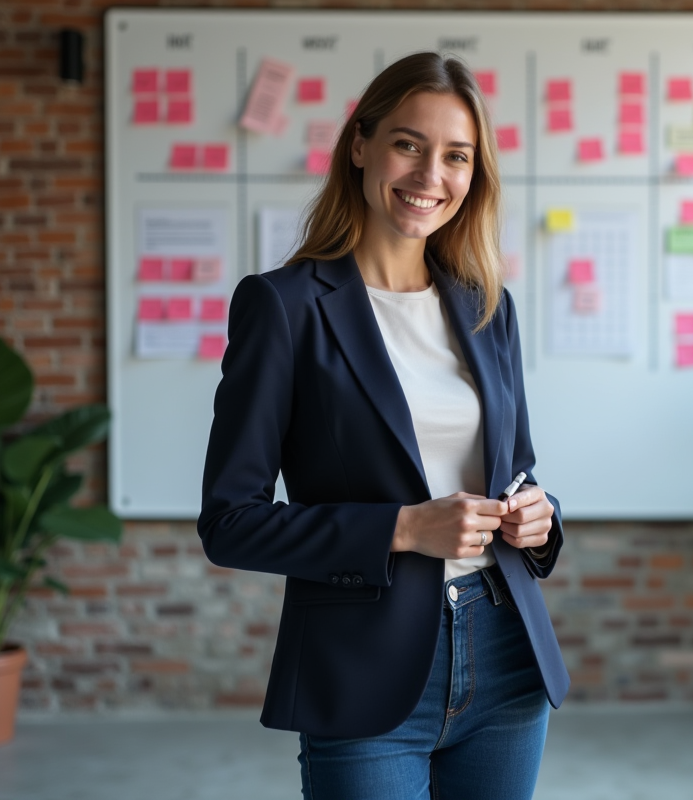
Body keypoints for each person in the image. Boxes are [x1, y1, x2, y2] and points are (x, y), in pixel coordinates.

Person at [198, 52, 569, 800]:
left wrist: (540, 517)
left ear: (475, 174)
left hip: (505, 654)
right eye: (409, 143)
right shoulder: (283, 307)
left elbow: (520, 472)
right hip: (363, 666)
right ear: (360, 144)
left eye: (456, 156)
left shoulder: (487, 307)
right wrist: (402, 529)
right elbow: (230, 522)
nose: (431, 174)